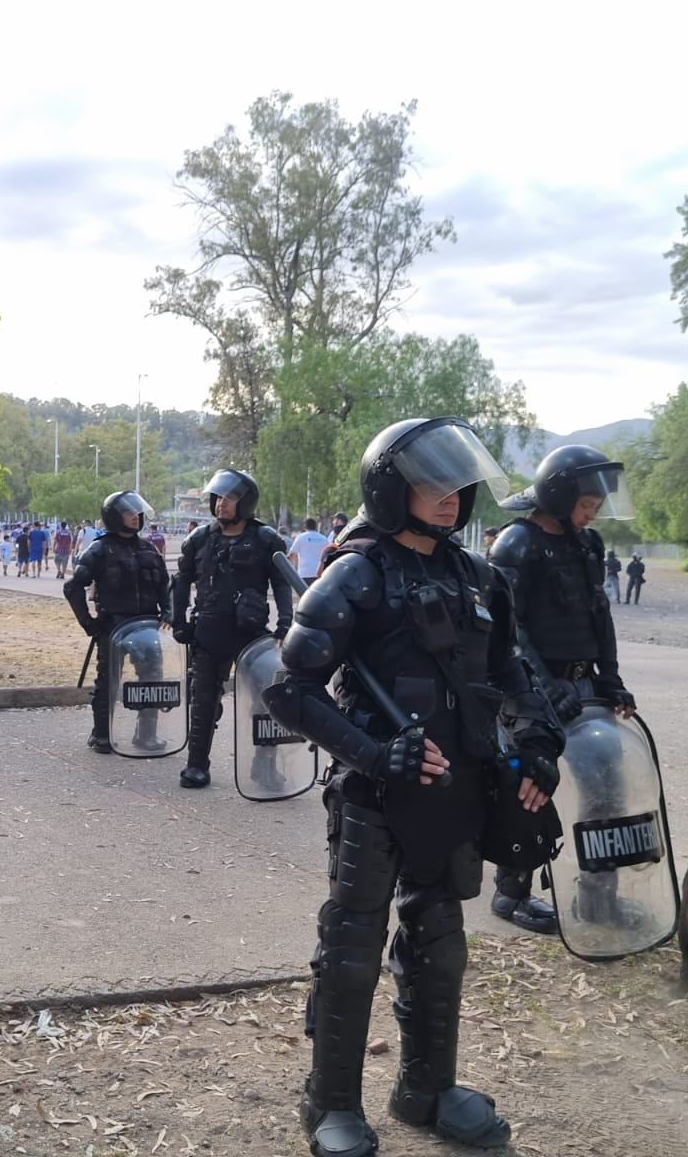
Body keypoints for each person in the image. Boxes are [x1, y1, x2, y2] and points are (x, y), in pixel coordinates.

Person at [265, 417, 563, 1154]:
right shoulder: (356, 572)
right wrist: (371, 754)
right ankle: (329, 1103)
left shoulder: (477, 575)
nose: (449, 498)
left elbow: (513, 676)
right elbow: (289, 687)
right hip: (377, 796)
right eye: (431, 484)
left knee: (441, 942)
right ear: (391, 487)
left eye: (456, 485)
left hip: (460, 791)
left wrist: (537, 746)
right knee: (354, 945)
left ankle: (427, 1089)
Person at [487, 443, 636, 935]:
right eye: (586, 507)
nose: (592, 517)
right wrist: (544, 685)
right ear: (557, 496)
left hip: (583, 683)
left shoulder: (586, 546)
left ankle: (600, 898)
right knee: (529, 788)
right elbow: (506, 628)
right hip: (529, 688)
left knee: (607, 789)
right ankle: (511, 895)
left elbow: (601, 616)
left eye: (596, 508)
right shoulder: (515, 544)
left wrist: (610, 678)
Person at [170, 469, 291, 788]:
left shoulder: (265, 539)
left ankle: (264, 768)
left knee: (267, 699)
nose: (222, 504)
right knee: (204, 701)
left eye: (231, 498)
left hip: (250, 632)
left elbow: (282, 581)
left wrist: (285, 623)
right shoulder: (198, 539)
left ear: (246, 503)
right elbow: (181, 582)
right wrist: (179, 620)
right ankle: (197, 765)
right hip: (209, 631)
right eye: (218, 498)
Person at [64, 491, 172, 753]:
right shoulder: (99, 549)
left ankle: (146, 736)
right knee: (108, 682)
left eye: (137, 512)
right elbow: (73, 587)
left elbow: (165, 585)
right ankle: (102, 734)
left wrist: (169, 611)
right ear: (114, 516)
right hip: (113, 625)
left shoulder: (149, 549)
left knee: (152, 681)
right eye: (128, 512)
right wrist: (88, 623)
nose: (135, 517)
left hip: (146, 626)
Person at [290, 516, 331, 584]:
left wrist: (293, 568)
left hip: (304, 573)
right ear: (316, 526)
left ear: (305, 526)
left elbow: (292, 554)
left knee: (304, 594)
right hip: (320, 574)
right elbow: (328, 555)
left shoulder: (301, 537)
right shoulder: (324, 539)